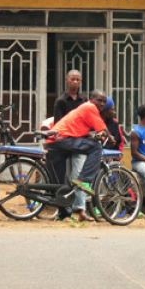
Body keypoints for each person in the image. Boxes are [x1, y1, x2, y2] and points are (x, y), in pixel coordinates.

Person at [44, 92, 108, 223]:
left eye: (104, 102)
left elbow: (81, 129)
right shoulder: (90, 107)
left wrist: (91, 135)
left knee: (60, 182)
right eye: (99, 100)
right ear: (91, 99)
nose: (102, 104)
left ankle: (67, 212)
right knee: (96, 147)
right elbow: (103, 130)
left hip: (58, 141)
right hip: (63, 140)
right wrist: (110, 138)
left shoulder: (83, 108)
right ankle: (84, 180)